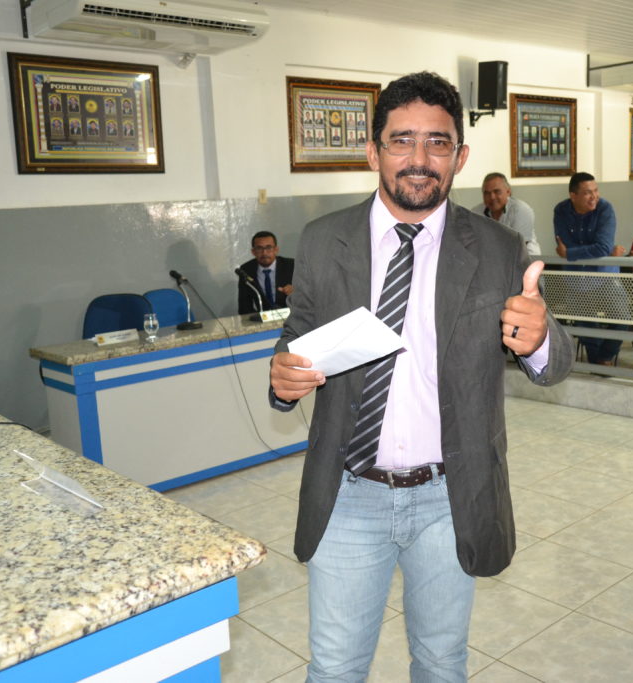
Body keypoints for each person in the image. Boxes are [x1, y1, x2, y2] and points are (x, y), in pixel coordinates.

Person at [268, 71, 573, 681]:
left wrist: (540, 340)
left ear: (460, 155)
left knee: (440, 661)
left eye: (437, 142)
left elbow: (555, 359)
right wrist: (283, 375)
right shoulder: (324, 240)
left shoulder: (498, 248)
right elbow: (295, 340)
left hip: (449, 494)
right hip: (348, 492)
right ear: (373, 151)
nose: (419, 158)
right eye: (402, 140)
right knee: (335, 666)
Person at [553, 171, 622, 364]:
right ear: (573, 195)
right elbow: (564, 243)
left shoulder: (605, 208)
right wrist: (595, 250)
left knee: (623, 319)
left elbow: (603, 247)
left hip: (604, 276)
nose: (594, 197)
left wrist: (570, 253)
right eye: (587, 193)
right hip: (576, 278)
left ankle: (604, 358)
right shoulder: (561, 210)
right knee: (585, 326)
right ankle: (596, 363)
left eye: (596, 190)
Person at [471, 172, 541, 255]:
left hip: (527, 258)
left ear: (508, 192)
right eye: (487, 193)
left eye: (497, 191)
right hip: (491, 258)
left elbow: (519, 247)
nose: (492, 197)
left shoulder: (521, 210)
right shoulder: (476, 213)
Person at [237, 231, 295, 315]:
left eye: (269, 247)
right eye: (259, 248)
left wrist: (297, 292)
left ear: (276, 250)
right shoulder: (246, 270)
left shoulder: (291, 266)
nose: (264, 253)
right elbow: (244, 307)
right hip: (262, 318)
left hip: (291, 315)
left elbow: (308, 296)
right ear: (253, 252)